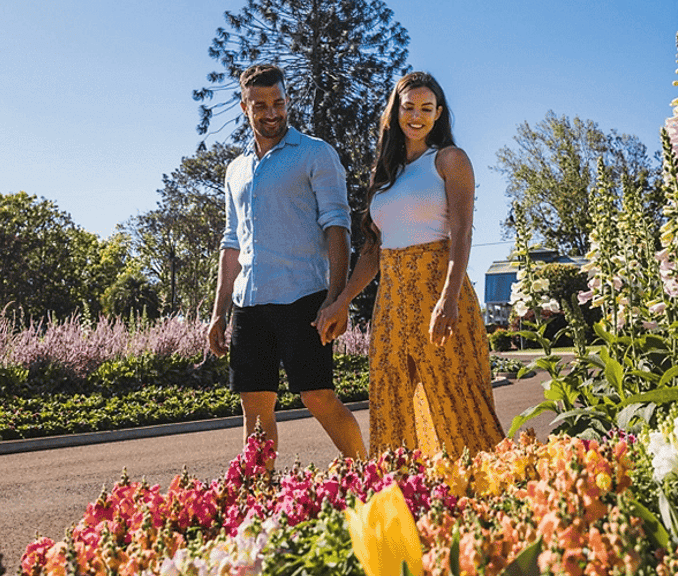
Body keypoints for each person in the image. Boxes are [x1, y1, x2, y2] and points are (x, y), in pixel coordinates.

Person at [316, 71, 504, 458]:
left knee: (456, 395)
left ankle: (485, 489)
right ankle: (407, 493)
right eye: (408, 107)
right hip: (392, 302)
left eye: (426, 108)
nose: (416, 116)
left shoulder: (450, 160)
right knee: (392, 396)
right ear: (395, 112)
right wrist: (343, 301)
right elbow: (372, 251)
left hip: (439, 290)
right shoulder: (385, 174)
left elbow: (462, 233)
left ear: (438, 114)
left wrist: (449, 298)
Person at [207, 63, 367, 466]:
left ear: (287, 100)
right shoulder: (235, 169)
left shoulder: (315, 153)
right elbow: (232, 243)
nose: (272, 112)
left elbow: (338, 227)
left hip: (304, 299)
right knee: (255, 410)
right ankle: (259, 501)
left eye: (278, 102)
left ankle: (370, 479)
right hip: (250, 303)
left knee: (318, 396)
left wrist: (336, 299)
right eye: (260, 105)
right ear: (245, 107)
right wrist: (218, 314)